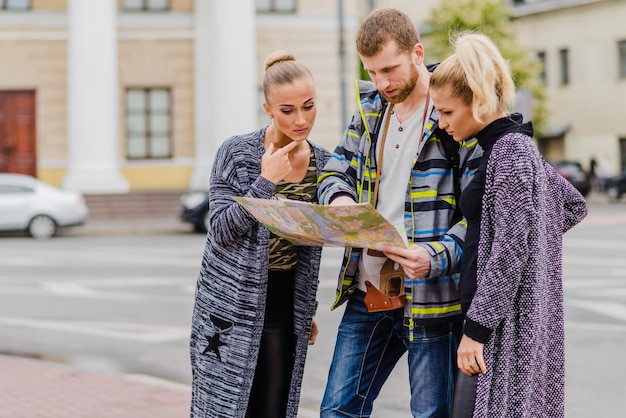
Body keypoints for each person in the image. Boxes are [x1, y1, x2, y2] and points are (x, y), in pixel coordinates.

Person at [317, 8, 481, 417]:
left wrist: (436, 257)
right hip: (369, 290)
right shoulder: (371, 108)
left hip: (431, 300)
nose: (382, 82)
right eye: (372, 72)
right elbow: (335, 168)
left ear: (417, 53)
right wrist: (340, 202)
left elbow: (483, 213)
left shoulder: (454, 111)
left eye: (389, 69)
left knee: (431, 415)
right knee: (336, 411)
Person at [428, 33, 588, 417]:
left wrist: (478, 328)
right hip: (502, 323)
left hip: (501, 331)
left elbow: (510, 251)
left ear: (478, 101)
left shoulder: (511, 153)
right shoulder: (509, 147)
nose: (441, 122)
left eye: (447, 112)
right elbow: (569, 205)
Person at [189, 50, 331, 418]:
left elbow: (310, 243)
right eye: (287, 110)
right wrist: (265, 180)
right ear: (268, 109)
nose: (301, 119)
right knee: (224, 407)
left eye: (309, 106)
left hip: (285, 299)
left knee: (275, 405)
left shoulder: (324, 164)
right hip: (230, 305)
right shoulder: (236, 154)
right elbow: (221, 231)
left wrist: (305, 307)